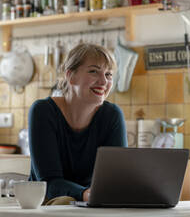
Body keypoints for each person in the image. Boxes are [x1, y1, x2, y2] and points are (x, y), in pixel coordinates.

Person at [28, 43, 128, 205]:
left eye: (108, 74)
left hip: (93, 205)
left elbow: (116, 177)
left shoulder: (112, 115)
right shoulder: (43, 111)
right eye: (93, 71)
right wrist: (86, 194)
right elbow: (49, 182)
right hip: (45, 205)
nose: (103, 81)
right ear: (70, 76)